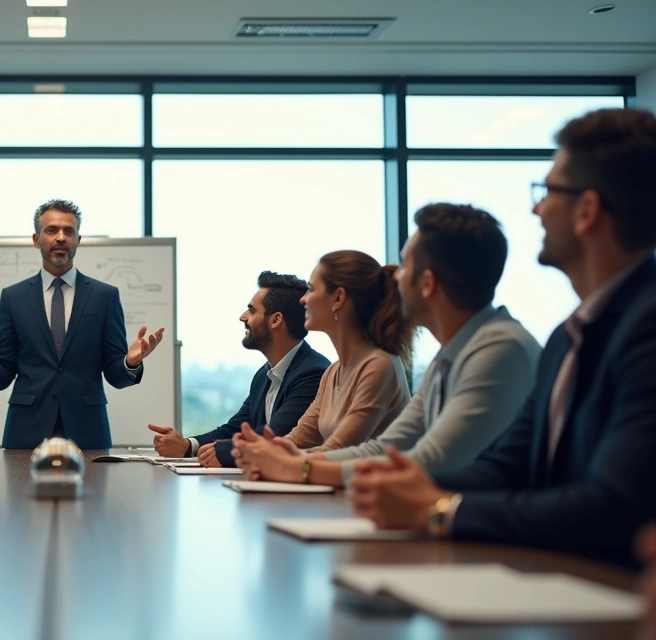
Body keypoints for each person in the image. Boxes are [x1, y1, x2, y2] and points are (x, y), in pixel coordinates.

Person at [349, 108, 656, 568]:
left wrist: (437, 509)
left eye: (548, 191)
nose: (535, 208)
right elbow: (507, 466)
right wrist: (411, 489)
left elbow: (612, 508)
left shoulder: (646, 326)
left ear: (587, 211)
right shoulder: (566, 338)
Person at [236, 204, 541, 487]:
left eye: (405, 266)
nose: (395, 279)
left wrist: (297, 467)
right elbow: (387, 446)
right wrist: (285, 459)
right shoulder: (449, 357)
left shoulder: (500, 350)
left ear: (428, 283)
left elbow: (430, 460)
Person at [0, 199, 165, 449]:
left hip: (88, 432)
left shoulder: (105, 296)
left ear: (78, 240)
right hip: (26, 431)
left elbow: (115, 376)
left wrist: (131, 362)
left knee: (94, 490)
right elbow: (2, 373)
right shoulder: (13, 297)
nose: (61, 238)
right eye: (52, 230)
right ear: (36, 239)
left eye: (69, 231)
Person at [233, 251, 414, 465]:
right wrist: (265, 455)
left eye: (310, 289)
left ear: (338, 298)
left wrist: (273, 460)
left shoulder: (379, 365)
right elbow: (299, 438)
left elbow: (338, 450)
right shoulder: (333, 372)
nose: (303, 300)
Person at [148, 271, 329, 467]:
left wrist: (225, 452)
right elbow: (235, 429)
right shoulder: (264, 375)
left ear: (276, 320)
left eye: (251, 311)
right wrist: (187, 445)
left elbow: (277, 434)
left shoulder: (313, 373)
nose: (242, 317)